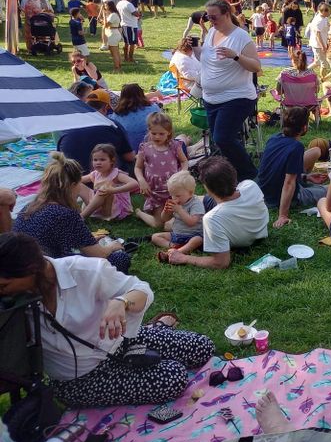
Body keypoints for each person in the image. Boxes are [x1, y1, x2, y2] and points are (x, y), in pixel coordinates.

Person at [0, 232, 214, 408]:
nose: (2, 292)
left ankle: (152, 331)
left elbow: (142, 290)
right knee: (173, 377)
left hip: (120, 343)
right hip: (80, 379)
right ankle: (155, 332)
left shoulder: (83, 271)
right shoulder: (14, 302)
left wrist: (121, 302)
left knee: (202, 347)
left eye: (4, 286)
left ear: (31, 270)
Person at [13, 153, 130, 273]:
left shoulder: (28, 207)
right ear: (73, 185)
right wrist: (112, 247)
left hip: (21, 268)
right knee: (120, 258)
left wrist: (86, 239)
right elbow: (99, 255)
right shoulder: (65, 214)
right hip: (46, 273)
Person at [199, 0, 262, 182]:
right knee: (218, 140)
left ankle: (250, 174)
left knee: (223, 138)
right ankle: (227, 174)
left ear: (226, 14)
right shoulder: (211, 32)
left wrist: (236, 56)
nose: (211, 20)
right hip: (211, 98)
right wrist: (194, 49)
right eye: (208, 17)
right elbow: (208, 60)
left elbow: (255, 66)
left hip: (236, 97)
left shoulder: (241, 36)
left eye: (214, 17)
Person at [167, 157, 268, 269]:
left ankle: (171, 220)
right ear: (233, 175)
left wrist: (184, 258)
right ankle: (185, 206)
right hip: (259, 231)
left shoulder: (212, 218)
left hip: (245, 238)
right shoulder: (250, 186)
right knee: (203, 201)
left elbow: (220, 263)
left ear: (208, 188)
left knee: (169, 225)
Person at [256, 107, 327, 229]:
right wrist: (282, 215)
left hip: (263, 193)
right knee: (330, 189)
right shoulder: (296, 147)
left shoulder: (273, 138)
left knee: (315, 151)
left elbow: (276, 170)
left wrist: (306, 178)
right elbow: (288, 183)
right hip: (277, 198)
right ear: (304, 127)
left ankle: (303, 183)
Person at [133, 111, 188, 225]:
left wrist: (182, 173)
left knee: (177, 218)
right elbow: (138, 168)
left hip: (173, 189)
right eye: (154, 133)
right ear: (149, 131)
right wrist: (141, 181)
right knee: (158, 224)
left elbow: (184, 161)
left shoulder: (174, 146)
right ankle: (139, 213)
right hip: (155, 192)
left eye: (161, 134)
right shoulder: (145, 148)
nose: (157, 137)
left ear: (169, 132)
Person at [57, 100, 135, 174]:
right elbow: (129, 157)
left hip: (73, 177)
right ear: (105, 108)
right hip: (108, 178)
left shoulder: (67, 127)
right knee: (135, 164)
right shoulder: (111, 124)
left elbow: (59, 158)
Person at [148, 171, 205, 253]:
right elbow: (164, 219)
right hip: (176, 235)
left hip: (192, 235)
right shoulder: (176, 203)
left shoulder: (196, 203)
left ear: (190, 192)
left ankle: (183, 249)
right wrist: (166, 211)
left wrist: (179, 210)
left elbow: (192, 222)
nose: (174, 198)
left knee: (198, 240)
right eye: (172, 195)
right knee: (155, 237)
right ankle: (173, 246)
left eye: (178, 195)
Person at [78, 143, 138, 221]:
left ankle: (82, 217)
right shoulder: (95, 174)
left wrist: (113, 190)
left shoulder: (117, 174)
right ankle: (70, 210)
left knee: (104, 189)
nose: (98, 162)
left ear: (112, 161)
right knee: (76, 184)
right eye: (95, 160)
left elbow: (134, 183)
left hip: (112, 209)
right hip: (97, 204)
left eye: (102, 159)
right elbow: (78, 180)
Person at [110, 83, 161, 151]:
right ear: (142, 94)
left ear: (122, 97)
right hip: (154, 149)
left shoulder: (116, 115)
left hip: (129, 152)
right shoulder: (154, 108)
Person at [116, 0, 140, 64]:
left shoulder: (119, 3)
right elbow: (136, 14)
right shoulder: (129, 4)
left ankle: (126, 57)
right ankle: (131, 58)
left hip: (123, 24)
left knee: (126, 42)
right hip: (131, 25)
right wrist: (139, 13)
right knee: (132, 43)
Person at [100, 0, 122, 71]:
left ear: (110, 6)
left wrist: (104, 15)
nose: (105, 7)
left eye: (106, 6)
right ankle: (118, 65)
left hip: (113, 34)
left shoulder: (113, 15)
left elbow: (106, 25)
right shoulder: (113, 14)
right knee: (116, 51)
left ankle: (117, 68)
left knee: (114, 52)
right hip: (113, 33)